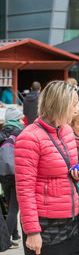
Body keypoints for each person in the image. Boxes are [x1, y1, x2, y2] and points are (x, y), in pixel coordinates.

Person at [15, 80, 79, 255]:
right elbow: (25, 190)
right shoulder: (29, 138)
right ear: (60, 105)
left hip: (72, 220)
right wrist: (32, 231)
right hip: (46, 225)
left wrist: (78, 173)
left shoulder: (67, 131)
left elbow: (66, 169)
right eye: (74, 105)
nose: (76, 110)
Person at [0, 106, 25, 248]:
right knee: (14, 208)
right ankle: (5, 240)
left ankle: (15, 234)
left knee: (10, 206)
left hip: (3, 174)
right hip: (17, 173)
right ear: (16, 119)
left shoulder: (3, 132)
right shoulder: (21, 132)